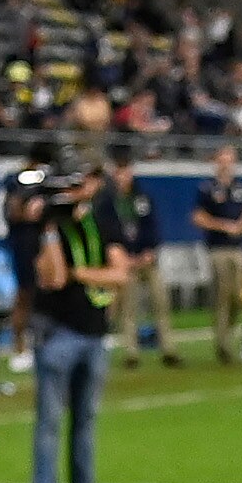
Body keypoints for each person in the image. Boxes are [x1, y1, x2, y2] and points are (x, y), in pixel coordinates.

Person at [29, 151, 121, 483]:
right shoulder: (51, 227)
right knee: (50, 420)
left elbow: (119, 273)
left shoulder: (102, 220)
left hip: (95, 332)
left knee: (85, 419)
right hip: (59, 331)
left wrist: (83, 273)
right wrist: (49, 230)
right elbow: (53, 278)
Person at [103, 139, 172, 365]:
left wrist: (149, 251)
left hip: (146, 258)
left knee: (160, 302)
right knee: (129, 309)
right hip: (126, 260)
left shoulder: (141, 197)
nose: (123, 176)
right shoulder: (109, 201)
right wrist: (123, 257)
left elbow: (152, 226)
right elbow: (108, 231)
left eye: (126, 170)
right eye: (119, 171)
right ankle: (131, 352)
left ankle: (168, 348)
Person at [192, 143, 242, 363]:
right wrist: (223, 226)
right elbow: (198, 217)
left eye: (230, 158)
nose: (227, 162)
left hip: (239, 248)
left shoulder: (241, 188)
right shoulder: (207, 188)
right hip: (219, 248)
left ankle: (229, 333)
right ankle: (222, 342)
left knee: (238, 296)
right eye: (223, 158)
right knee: (222, 295)